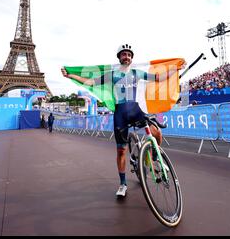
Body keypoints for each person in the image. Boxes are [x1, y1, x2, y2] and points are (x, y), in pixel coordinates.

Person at [61, 44, 176, 197]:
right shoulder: (112, 74)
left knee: (156, 133)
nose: (126, 56)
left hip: (135, 110)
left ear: (131, 57)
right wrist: (70, 76)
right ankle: (122, 184)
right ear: (119, 57)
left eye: (129, 54)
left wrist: (175, 69)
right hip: (120, 113)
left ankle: (154, 160)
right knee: (121, 150)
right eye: (123, 54)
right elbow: (90, 82)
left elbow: (157, 78)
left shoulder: (137, 72)